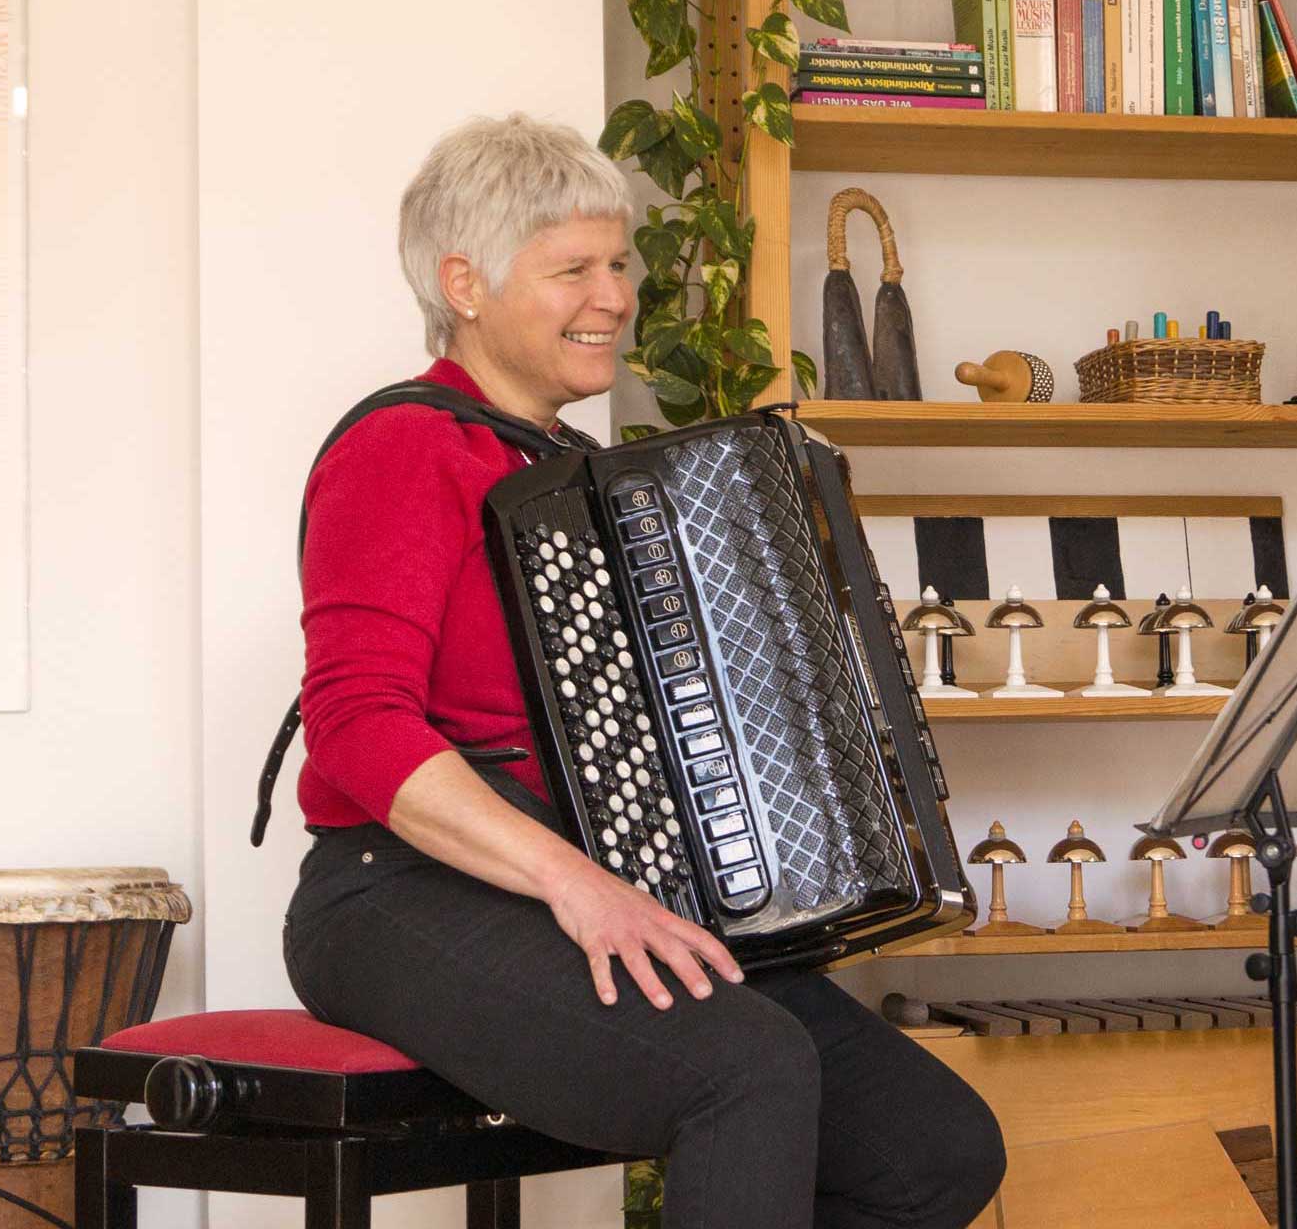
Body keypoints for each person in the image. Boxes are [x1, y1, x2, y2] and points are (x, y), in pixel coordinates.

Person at [284, 113, 1005, 1229]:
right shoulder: (403, 447)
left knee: (938, 1147)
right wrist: (578, 883)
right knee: (747, 1068)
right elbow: (355, 724)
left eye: (619, 263)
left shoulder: (586, 482)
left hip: (581, 894)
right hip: (393, 896)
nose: (615, 297)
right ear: (463, 282)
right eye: (572, 267)